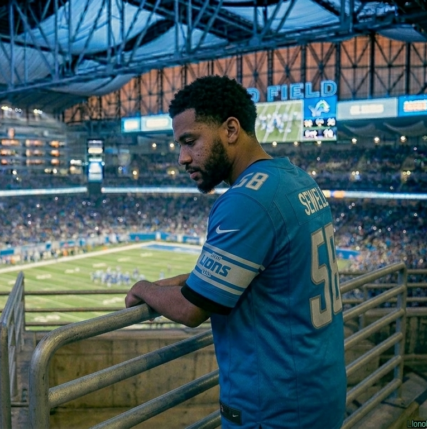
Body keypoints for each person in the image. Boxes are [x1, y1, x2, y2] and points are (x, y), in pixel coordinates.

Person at [125, 76, 346, 429]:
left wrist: (143, 288)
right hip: (319, 392)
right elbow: (262, 274)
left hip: (274, 410)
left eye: (189, 141)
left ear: (230, 129)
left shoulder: (245, 200)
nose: (182, 158)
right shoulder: (297, 179)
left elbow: (191, 309)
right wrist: (182, 281)